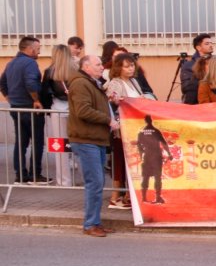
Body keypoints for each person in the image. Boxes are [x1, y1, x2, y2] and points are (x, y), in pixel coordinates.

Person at [69, 55, 119, 237]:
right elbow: (83, 111)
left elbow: (94, 105)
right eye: (98, 64)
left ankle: (95, 222)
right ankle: (90, 224)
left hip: (95, 139)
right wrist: (108, 120)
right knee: (95, 182)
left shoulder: (92, 83)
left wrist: (109, 101)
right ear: (86, 67)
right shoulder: (80, 83)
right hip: (86, 139)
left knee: (97, 182)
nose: (101, 67)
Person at [1, 36, 45, 183]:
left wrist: (10, 99)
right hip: (30, 108)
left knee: (21, 143)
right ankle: (35, 174)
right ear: (30, 49)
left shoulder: (11, 63)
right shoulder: (30, 63)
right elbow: (31, 83)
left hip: (16, 108)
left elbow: (2, 83)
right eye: (38, 49)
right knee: (37, 142)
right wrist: (36, 100)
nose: (39, 52)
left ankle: (20, 175)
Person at [104, 52, 145, 209]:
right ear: (119, 68)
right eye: (126, 66)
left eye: (132, 65)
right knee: (120, 161)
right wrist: (133, 101)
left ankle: (128, 195)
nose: (130, 69)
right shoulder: (115, 83)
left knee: (133, 161)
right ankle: (116, 196)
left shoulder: (134, 81)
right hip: (121, 128)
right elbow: (114, 99)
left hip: (135, 126)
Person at [40, 44, 76, 186]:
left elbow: (45, 93)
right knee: (78, 143)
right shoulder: (76, 70)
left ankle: (64, 180)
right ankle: (84, 179)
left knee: (60, 145)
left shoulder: (50, 71)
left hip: (58, 109)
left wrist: (46, 108)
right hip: (75, 109)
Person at [135, 116, 172, 205]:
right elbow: (163, 143)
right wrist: (169, 153)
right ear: (151, 121)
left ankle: (144, 198)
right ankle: (158, 197)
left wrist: (141, 155)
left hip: (147, 156)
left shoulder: (141, 132)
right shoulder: (156, 131)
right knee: (157, 177)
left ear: (145, 121)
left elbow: (139, 145)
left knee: (145, 177)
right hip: (156, 156)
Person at [180, 33, 214, 104]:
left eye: (211, 43)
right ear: (198, 47)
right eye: (207, 44)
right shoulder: (189, 65)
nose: (211, 45)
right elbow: (187, 87)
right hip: (197, 103)